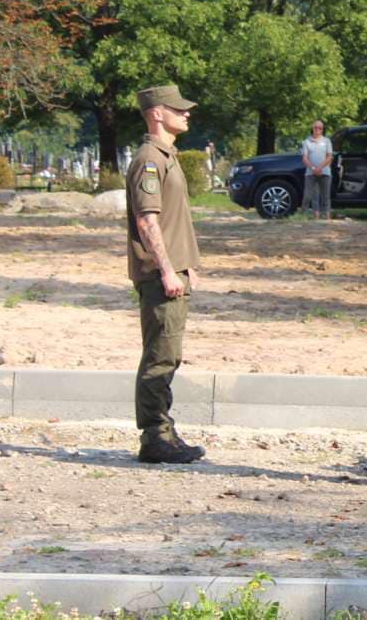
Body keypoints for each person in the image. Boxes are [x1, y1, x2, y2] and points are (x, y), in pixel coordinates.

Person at [126, 84, 206, 465]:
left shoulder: (166, 156)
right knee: (160, 357)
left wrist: (186, 264)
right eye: (178, 109)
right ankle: (155, 437)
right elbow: (147, 221)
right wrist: (168, 271)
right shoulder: (149, 160)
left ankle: (165, 433)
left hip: (174, 272)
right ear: (157, 113)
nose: (186, 114)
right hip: (162, 276)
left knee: (168, 355)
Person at [301, 121, 333, 219]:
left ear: (323, 129)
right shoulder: (306, 142)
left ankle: (327, 217)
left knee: (325, 195)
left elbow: (330, 157)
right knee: (309, 195)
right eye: (316, 127)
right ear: (312, 128)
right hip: (310, 173)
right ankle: (304, 216)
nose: (318, 129)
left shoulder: (327, 141)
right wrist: (314, 168)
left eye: (320, 128)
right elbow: (305, 158)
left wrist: (320, 167)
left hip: (325, 172)